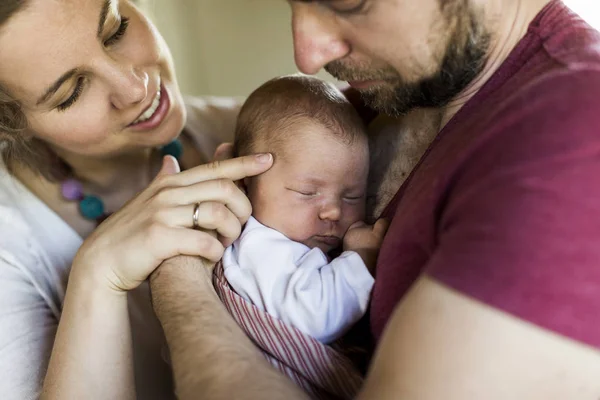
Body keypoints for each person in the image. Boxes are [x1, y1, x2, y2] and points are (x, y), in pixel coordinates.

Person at [149, 0, 600, 399]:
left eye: (347, 1)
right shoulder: (378, 98)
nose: (308, 55)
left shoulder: (573, 138)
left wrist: (180, 280)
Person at [0, 1, 273, 399]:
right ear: (14, 127)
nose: (135, 87)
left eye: (116, 30)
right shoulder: (11, 253)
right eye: (72, 91)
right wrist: (98, 275)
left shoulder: (258, 129)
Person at [223, 75, 382, 344]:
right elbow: (316, 318)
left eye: (353, 197)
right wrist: (361, 256)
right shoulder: (260, 247)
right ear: (245, 183)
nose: (333, 212)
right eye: (307, 193)